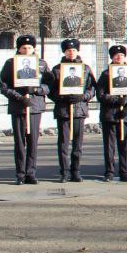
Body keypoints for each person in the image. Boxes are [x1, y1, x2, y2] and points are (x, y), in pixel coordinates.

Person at [0, 34, 50, 184]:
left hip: (34, 108)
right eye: (23, 48)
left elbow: (49, 85)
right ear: (19, 49)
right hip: (18, 107)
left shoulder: (42, 64)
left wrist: (37, 90)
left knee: (33, 142)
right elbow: (4, 86)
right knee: (20, 143)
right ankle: (20, 174)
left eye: (29, 47)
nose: (26, 50)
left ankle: (30, 173)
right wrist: (19, 97)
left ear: (34, 48)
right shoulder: (10, 64)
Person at [49, 38, 95, 182]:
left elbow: (92, 88)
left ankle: (76, 171)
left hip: (79, 110)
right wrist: (61, 97)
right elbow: (50, 90)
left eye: (74, 50)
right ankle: (64, 172)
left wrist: (83, 96)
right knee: (63, 143)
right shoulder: (57, 69)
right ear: (64, 51)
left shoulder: (85, 68)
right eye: (68, 50)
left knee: (78, 144)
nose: (71, 53)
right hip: (63, 110)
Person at [97, 44, 127, 182]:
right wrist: (115, 100)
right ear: (112, 58)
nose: (119, 58)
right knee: (109, 145)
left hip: (124, 116)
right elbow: (100, 95)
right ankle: (109, 171)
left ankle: (124, 171)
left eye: (122, 55)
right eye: (116, 56)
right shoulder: (106, 74)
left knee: (124, 144)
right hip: (109, 115)